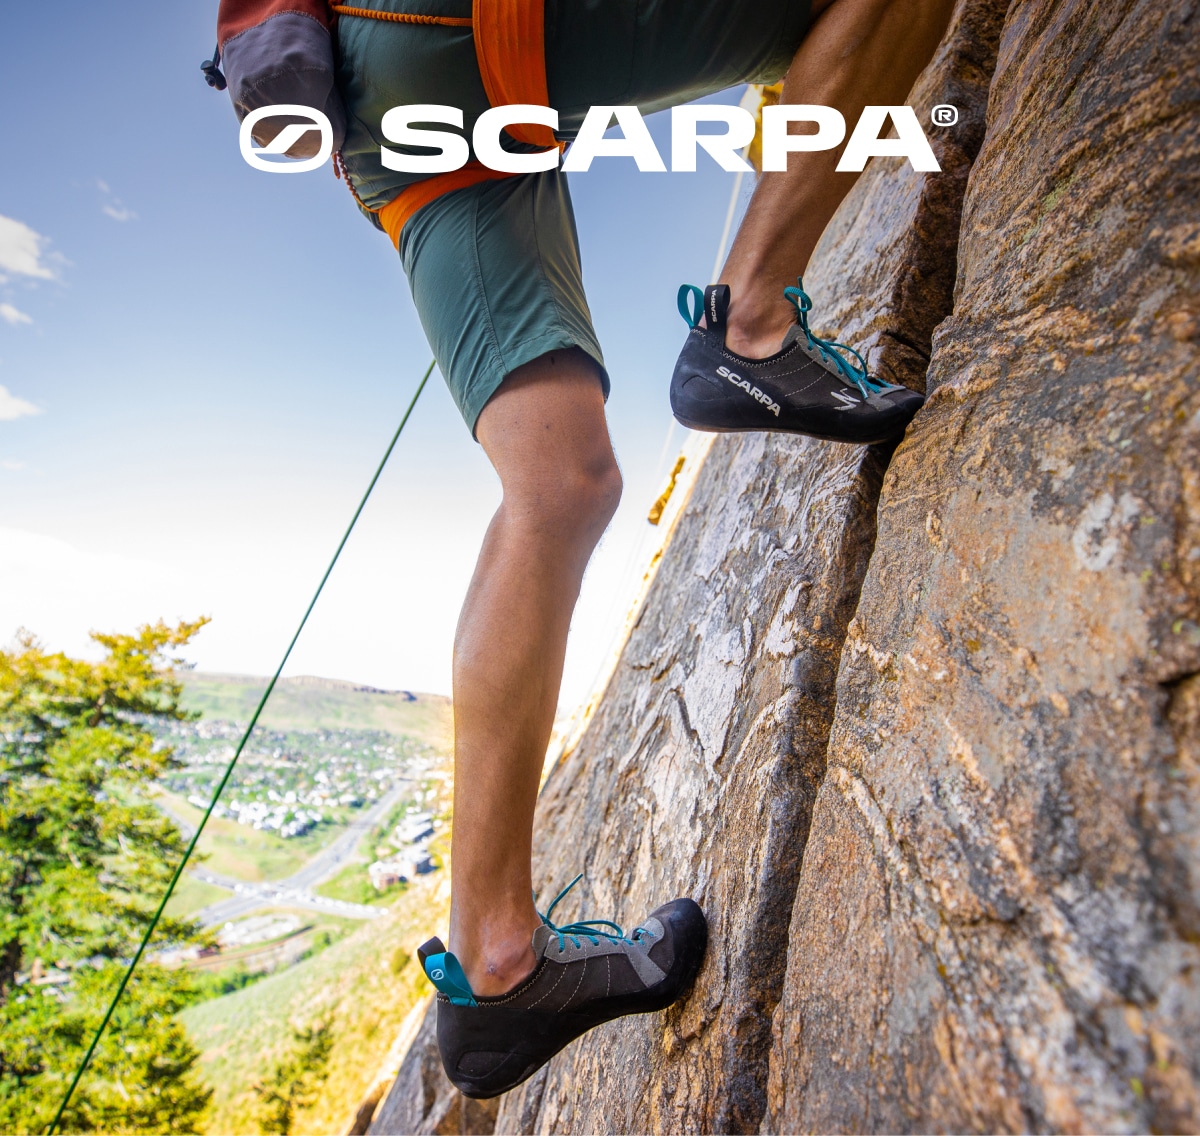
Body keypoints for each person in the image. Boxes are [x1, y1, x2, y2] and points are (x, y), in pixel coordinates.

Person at [322, 0, 952, 1097]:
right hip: (460, 27)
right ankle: (755, 320)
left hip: (378, 107)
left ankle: (495, 962)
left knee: (557, 486)